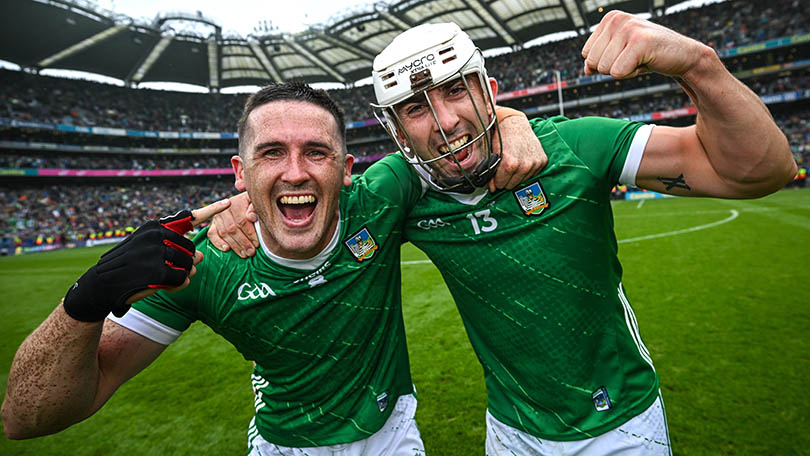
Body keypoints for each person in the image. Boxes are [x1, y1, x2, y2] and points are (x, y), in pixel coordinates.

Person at [210, 15, 796, 455]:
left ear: (488, 91)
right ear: (396, 131)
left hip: (617, 427)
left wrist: (698, 64)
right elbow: (307, 194)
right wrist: (244, 204)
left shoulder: (574, 148)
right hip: (508, 434)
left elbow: (761, 170)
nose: (444, 121)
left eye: (454, 90)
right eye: (415, 107)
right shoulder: (403, 190)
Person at [2, 82, 545, 454]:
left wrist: (511, 121)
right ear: (240, 172)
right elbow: (26, 419)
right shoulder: (203, 264)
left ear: (347, 169)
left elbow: (455, 137)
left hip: (392, 436)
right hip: (283, 445)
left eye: (316, 152)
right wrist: (86, 299)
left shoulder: (384, 195)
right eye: (271, 154)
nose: (295, 173)